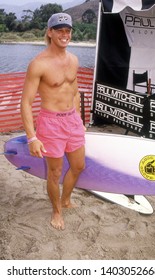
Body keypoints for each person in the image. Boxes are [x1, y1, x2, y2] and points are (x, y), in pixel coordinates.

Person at [21, 13, 85, 230]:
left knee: (78, 166)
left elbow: (74, 91)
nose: (64, 34)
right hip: (50, 123)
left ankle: (66, 200)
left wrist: (79, 118)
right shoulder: (38, 64)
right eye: (59, 30)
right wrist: (32, 137)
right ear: (50, 33)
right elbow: (26, 103)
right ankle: (56, 210)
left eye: (67, 30)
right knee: (55, 172)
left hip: (72, 121)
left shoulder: (74, 60)